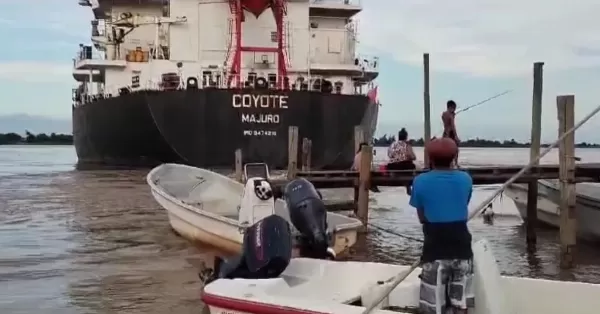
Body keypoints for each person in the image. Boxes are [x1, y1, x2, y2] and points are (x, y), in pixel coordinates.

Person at [409, 138, 473, 314]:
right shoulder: (466, 178)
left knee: (433, 306)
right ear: (455, 157)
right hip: (462, 248)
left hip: (435, 250)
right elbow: (463, 204)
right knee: (460, 304)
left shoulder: (420, 181)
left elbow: (422, 218)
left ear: (430, 158)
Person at [387, 128, 417, 194]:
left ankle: (393, 174)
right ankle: (408, 186)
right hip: (403, 166)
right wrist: (411, 157)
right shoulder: (407, 145)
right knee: (412, 165)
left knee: (391, 165)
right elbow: (412, 157)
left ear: (399, 136)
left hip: (392, 166)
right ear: (406, 137)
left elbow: (389, 155)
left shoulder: (392, 144)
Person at [442, 100, 460, 167]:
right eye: (454, 108)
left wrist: (453, 115)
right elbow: (452, 125)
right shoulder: (450, 115)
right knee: (455, 149)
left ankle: (447, 164)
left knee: (445, 149)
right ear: (451, 107)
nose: (454, 110)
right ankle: (455, 163)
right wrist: (456, 136)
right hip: (451, 133)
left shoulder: (444, 114)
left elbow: (447, 123)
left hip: (445, 133)